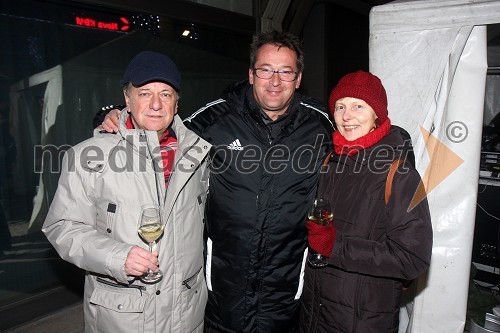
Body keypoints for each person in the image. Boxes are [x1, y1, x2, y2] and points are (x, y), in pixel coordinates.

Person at [99, 31, 333, 332]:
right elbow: (161, 126)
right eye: (265, 70)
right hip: (223, 288)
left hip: (285, 290)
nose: (274, 81)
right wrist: (113, 117)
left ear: (298, 79)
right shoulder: (215, 118)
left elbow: (366, 138)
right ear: (251, 74)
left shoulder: (320, 124)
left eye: (285, 72)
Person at [42, 51, 211, 332]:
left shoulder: (198, 154)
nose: (156, 104)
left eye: (166, 94)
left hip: (186, 313)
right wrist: (116, 257)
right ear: (127, 100)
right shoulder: (88, 156)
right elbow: (62, 226)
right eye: (145, 93)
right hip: (124, 315)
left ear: (177, 103)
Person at [298, 70, 433, 333]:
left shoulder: (399, 174)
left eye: (358, 106)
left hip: (362, 322)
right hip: (315, 315)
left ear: (376, 115)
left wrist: (334, 246)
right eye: (340, 106)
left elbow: (412, 258)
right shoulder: (330, 162)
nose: (347, 116)